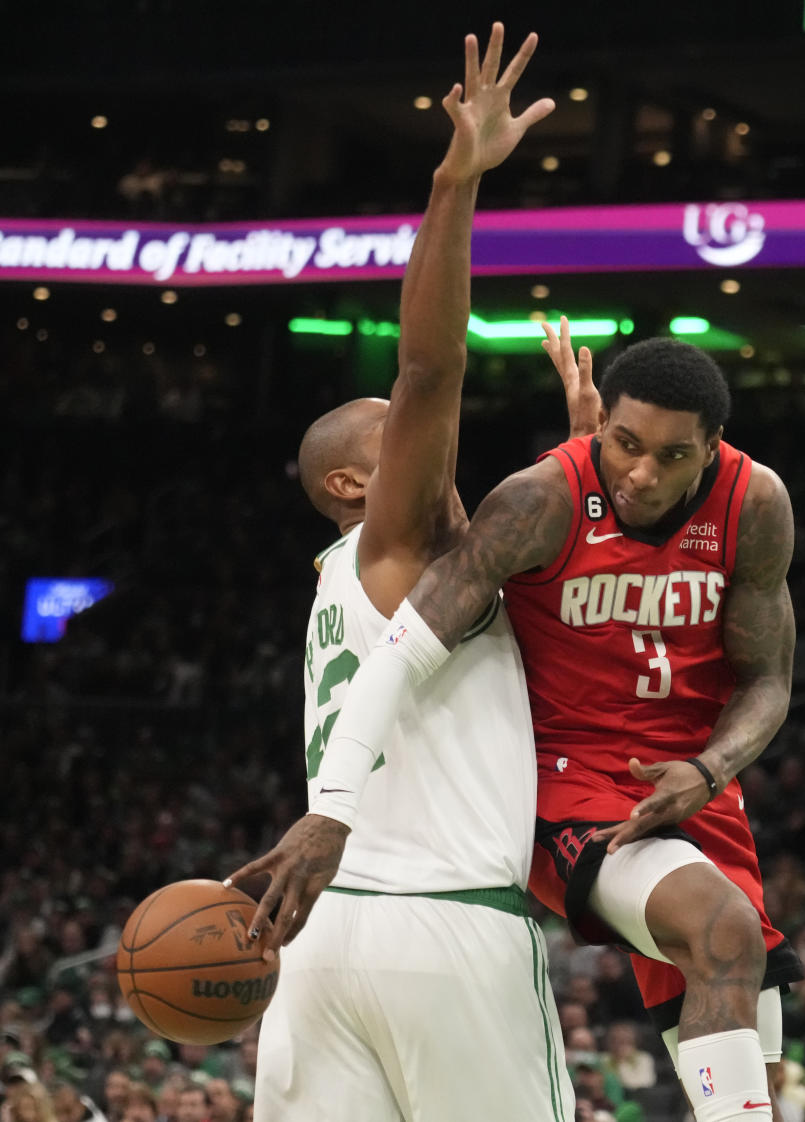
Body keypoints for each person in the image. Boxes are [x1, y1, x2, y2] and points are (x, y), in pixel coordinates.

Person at [271, 319, 805, 1122]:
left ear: (712, 446)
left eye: (670, 454)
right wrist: (329, 810)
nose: (642, 471)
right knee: (722, 930)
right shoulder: (532, 502)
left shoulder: (754, 501)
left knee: (752, 1068)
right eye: (624, 444)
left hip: (693, 780)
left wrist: (708, 770)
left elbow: (768, 679)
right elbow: (399, 650)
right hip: (569, 781)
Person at [227, 23, 574, 1122]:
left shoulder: (342, 586)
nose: (429, 449)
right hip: (446, 931)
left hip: (326, 945)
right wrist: (454, 185)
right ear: (347, 487)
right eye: (394, 440)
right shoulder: (397, 543)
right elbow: (430, 365)